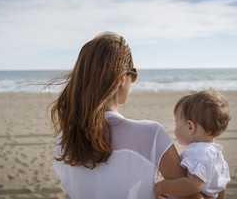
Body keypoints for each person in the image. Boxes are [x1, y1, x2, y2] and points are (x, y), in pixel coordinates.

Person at [49, 32, 185, 199]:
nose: (132, 80)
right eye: (132, 74)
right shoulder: (151, 133)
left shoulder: (66, 138)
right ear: (122, 78)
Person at [154, 88, 231, 199]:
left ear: (190, 127)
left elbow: (193, 186)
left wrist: (162, 186)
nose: (175, 127)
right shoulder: (216, 153)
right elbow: (221, 189)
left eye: (176, 123)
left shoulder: (198, 152)